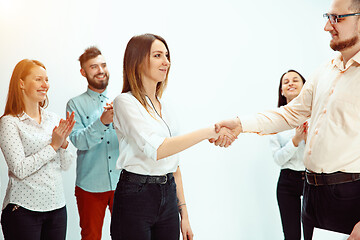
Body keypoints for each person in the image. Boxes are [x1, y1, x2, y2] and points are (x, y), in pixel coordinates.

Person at [212, 0, 360, 239]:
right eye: (327, 16)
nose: (326, 27)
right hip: (311, 194)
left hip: (350, 195)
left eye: (337, 18)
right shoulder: (324, 71)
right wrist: (241, 124)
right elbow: (291, 113)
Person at [110, 33, 235, 240]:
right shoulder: (124, 102)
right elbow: (158, 149)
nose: (166, 62)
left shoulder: (165, 106)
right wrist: (209, 132)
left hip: (167, 194)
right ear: (138, 60)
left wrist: (184, 215)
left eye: (167, 56)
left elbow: (173, 164)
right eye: (158, 55)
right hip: (136, 196)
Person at [0, 59, 75, 240]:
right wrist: (53, 146)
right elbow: (19, 169)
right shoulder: (9, 122)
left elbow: (66, 165)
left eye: (46, 80)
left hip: (57, 208)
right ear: (21, 83)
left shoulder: (53, 119)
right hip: (23, 211)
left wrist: (63, 144)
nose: (45, 85)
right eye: (38, 79)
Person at [66, 46, 120, 240]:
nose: (100, 70)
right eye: (94, 67)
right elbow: (78, 140)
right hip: (89, 186)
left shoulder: (122, 100)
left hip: (122, 183)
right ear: (83, 72)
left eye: (103, 65)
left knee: (127, 234)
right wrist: (103, 121)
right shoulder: (74, 104)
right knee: (90, 237)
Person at [269, 70, 307, 240]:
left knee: (311, 233)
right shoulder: (275, 120)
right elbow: (278, 159)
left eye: (295, 80)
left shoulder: (316, 115)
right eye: (286, 82)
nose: (290, 83)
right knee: (292, 236)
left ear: (304, 86)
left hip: (313, 180)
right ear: (282, 91)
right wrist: (296, 140)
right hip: (287, 182)